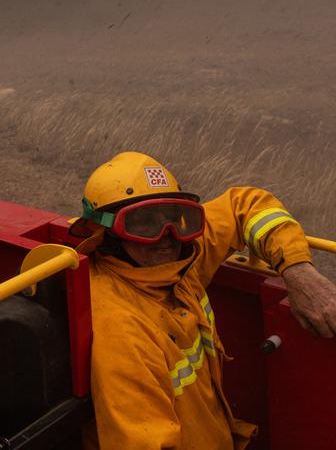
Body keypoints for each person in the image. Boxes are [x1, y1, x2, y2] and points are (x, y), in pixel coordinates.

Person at [69, 151, 336, 450]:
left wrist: (298, 270)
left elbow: (246, 204)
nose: (166, 236)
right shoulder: (121, 330)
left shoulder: (181, 260)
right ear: (106, 234)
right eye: (144, 223)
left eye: (175, 218)